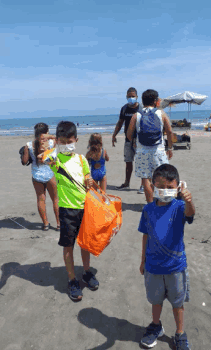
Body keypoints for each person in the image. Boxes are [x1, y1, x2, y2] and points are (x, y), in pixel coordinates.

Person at [138, 164, 195, 350]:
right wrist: (142, 260)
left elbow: (190, 214)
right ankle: (156, 325)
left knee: (177, 303)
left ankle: (180, 332)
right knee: (156, 300)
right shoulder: (147, 210)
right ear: (153, 185)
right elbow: (145, 235)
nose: (165, 191)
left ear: (178, 187)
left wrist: (189, 201)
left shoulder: (179, 206)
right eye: (160, 186)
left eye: (170, 187)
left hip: (176, 267)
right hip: (153, 267)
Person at [40, 121, 99, 301]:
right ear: (58, 141)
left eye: (70, 141)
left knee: (85, 244)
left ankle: (87, 272)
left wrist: (90, 182)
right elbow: (43, 152)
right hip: (67, 211)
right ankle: (72, 279)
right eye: (63, 141)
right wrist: (52, 141)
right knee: (68, 247)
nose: (66, 145)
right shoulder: (55, 161)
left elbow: (91, 182)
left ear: (76, 140)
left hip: (85, 209)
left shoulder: (82, 159)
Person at [127, 89, 173, 203]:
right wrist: (170, 148)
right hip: (159, 151)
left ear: (142, 101)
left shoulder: (136, 115)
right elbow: (170, 131)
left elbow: (129, 134)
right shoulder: (161, 113)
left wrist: (135, 141)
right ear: (156, 101)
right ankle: (163, 202)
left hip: (142, 152)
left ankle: (150, 205)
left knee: (145, 179)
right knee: (163, 176)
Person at [22, 123, 60, 231]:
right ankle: (58, 224)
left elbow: (24, 162)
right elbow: (57, 140)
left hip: (36, 175)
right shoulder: (52, 142)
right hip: (50, 173)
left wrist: (24, 154)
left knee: (40, 199)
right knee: (55, 199)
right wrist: (49, 136)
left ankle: (45, 224)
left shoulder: (29, 145)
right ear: (47, 132)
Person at [112, 87, 143, 192]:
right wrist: (114, 135)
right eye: (129, 96)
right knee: (128, 162)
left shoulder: (142, 108)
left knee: (141, 162)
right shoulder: (124, 108)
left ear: (137, 97)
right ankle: (126, 183)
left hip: (140, 140)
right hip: (128, 140)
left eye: (133, 96)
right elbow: (120, 122)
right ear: (126, 97)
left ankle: (143, 185)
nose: (131, 98)